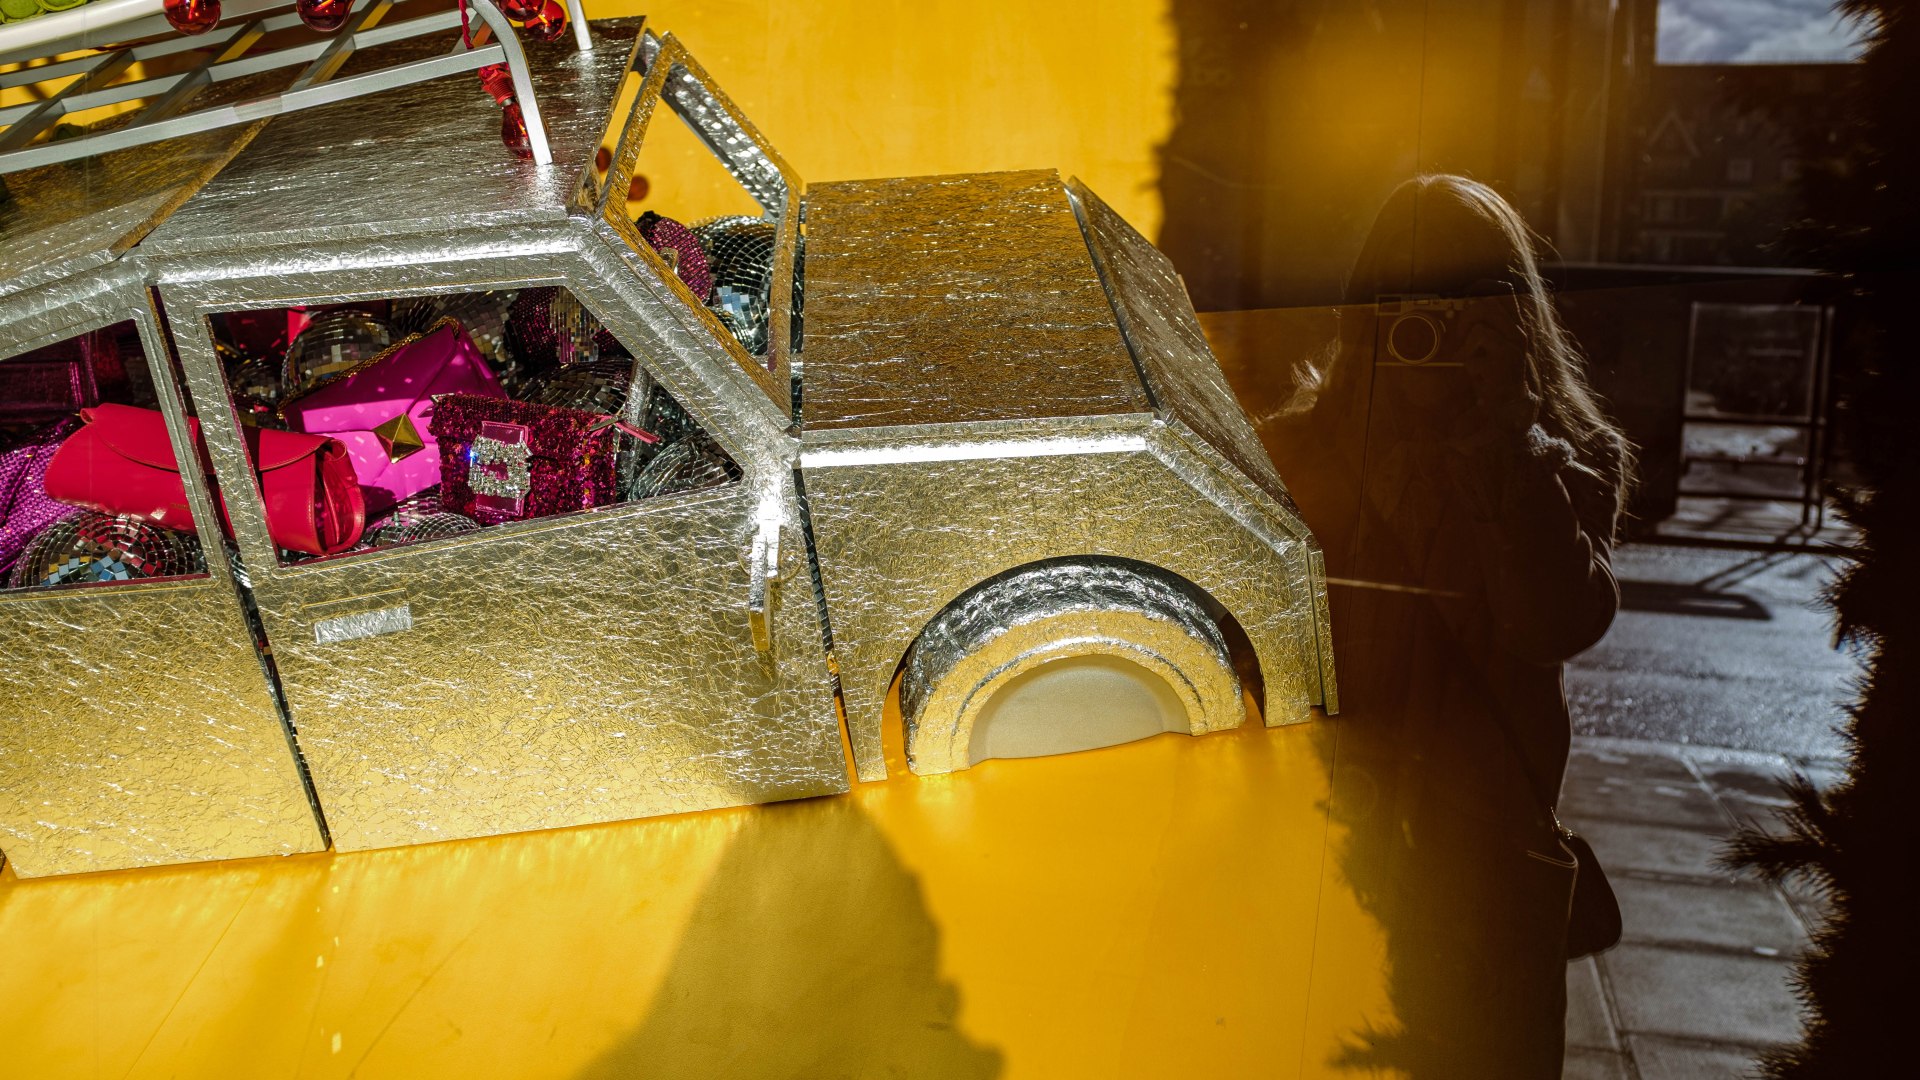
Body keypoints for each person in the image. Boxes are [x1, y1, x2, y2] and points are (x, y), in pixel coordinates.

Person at [1290, 174, 1634, 1077]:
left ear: (1513, 320)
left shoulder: (1570, 464)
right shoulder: (1295, 453)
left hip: (1484, 882)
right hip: (1322, 861)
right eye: (1402, 302)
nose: (1424, 332)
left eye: (1457, 307)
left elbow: (1554, 624)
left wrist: (1508, 445)